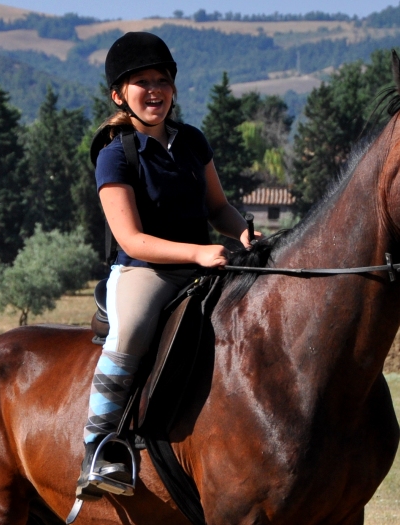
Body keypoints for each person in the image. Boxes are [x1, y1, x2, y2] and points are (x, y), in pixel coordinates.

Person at [76, 31, 261, 501]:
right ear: (120, 94)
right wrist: (197, 253)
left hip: (205, 263)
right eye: (142, 82)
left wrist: (241, 232)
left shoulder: (193, 141)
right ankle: (99, 448)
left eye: (163, 80)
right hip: (145, 271)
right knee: (132, 329)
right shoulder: (114, 154)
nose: (154, 90)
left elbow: (218, 208)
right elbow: (131, 238)